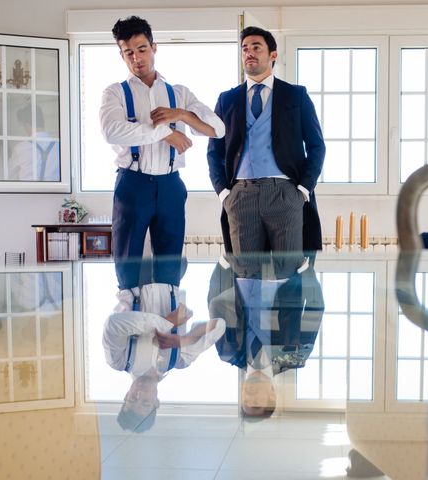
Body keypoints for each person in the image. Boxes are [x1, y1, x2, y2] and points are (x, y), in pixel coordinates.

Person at [100, 16, 225, 291]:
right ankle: (130, 326)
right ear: (121, 55)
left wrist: (181, 115)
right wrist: (165, 132)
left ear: (154, 47)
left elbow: (217, 129)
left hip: (171, 185)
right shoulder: (115, 93)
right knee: (127, 266)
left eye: (142, 49)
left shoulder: (179, 93)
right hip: (132, 184)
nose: (136, 58)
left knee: (170, 266)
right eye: (128, 52)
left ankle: (169, 329)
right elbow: (113, 131)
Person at [207, 26, 325, 255]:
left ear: (273, 55)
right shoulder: (227, 99)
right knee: (245, 277)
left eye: (256, 47)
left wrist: (302, 190)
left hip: (285, 193)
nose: (249, 52)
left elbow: (317, 146)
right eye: (244, 49)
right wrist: (223, 193)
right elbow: (214, 151)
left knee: (288, 276)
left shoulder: (296, 95)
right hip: (240, 196)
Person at [208, 252, 324, 419]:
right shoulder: (294, 357)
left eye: (245, 401)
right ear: (272, 396)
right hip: (286, 271)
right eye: (255, 402)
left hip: (242, 268)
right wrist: (305, 270)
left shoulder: (227, 352)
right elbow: (315, 311)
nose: (249, 396)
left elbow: (215, 305)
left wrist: (223, 266)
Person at [103, 281, 225, 432]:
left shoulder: (119, 361)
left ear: (126, 395)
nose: (140, 393)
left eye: (133, 399)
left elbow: (113, 325)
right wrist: (183, 340)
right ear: (157, 403)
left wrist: (167, 323)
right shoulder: (179, 360)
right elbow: (219, 325)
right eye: (146, 402)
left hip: (132, 277)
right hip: (170, 279)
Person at [8, 103, 60, 181]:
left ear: (27, 125)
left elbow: (9, 175)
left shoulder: (20, 148)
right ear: (43, 121)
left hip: (27, 192)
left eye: (24, 126)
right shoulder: (59, 146)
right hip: (54, 192)